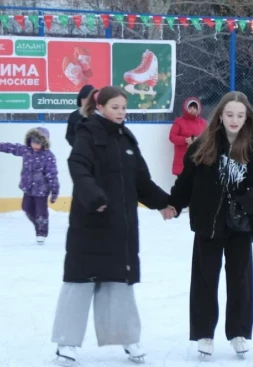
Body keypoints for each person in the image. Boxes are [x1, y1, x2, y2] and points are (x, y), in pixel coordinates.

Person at [51, 86, 175, 364]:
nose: (121, 112)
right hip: (91, 222)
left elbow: (141, 182)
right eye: (115, 107)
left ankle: (128, 338)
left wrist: (164, 203)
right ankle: (66, 343)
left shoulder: (126, 139)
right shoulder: (88, 133)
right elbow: (78, 166)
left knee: (120, 281)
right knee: (79, 282)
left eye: (123, 107)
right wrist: (94, 196)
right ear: (101, 107)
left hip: (121, 225)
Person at [168, 91, 253, 358]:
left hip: (241, 224)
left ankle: (238, 331)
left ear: (247, 117)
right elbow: (186, 181)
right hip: (209, 222)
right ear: (220, 114)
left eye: (240, 115)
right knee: (205, 279)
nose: (234, 119)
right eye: (229, 114)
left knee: (240, 279)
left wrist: (246, 202)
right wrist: (174, 203)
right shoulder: (203, 145)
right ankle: (204, 333)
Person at [0, 127, 59, 245]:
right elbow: (11, 147)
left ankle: (41, 232)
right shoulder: (26, 151)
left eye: (38, 143)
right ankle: (40, 224)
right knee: (26, 208)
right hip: (28, 188)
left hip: (41, 190)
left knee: (41, 211)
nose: (35, 145)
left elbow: (52, 175)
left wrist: (54, 191)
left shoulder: (48, 156)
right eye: (33, 141)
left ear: (44, 143)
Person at [169, 97, 208, 176]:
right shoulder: (179, 121)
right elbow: (172, 137)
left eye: (194, 107)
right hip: (182, 159)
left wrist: (199, 140)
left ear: (198, 109)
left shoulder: (203, 123)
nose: (192, 109)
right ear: (186, 108)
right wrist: (185, 140)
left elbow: (208, 138)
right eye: (190, 107)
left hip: (198, 158)